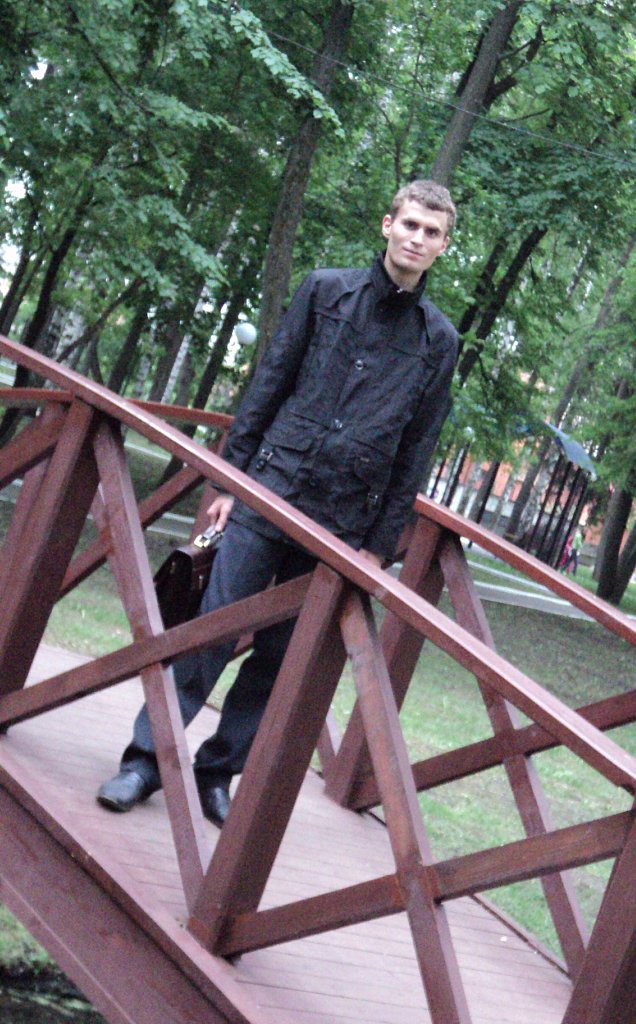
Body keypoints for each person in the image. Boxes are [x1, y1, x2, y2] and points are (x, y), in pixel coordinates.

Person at [97, 180, 458, 827]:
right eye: (409, 224)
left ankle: (217, 773)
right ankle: (144, 762)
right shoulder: (324, 291)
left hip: (341, 524)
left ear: (443, 247)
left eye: (431, 232)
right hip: (270, 491)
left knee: (279, 658)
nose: (417, 238)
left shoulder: (439, 341)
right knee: (210, 628)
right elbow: (267, 386)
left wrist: (378, 546)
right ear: (387, 225)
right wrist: (226, 486)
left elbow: (416, 450)